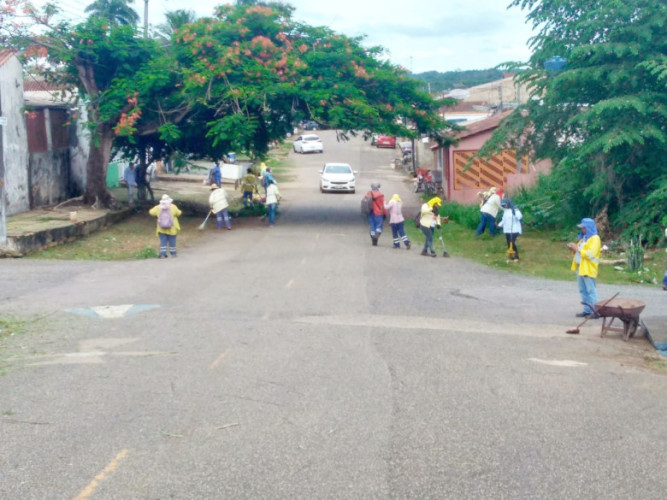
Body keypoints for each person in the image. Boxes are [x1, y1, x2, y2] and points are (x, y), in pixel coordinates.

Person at [567, 218, 601, 318]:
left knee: (591, 290)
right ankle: (587, 310)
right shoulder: (584, 238)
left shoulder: (595, 239)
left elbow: (590, 254)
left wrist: (577, 249)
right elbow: (579, 251)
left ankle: (595, 311)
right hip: (580, 267)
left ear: (589, 227)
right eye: (581, 228)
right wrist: (573, 249)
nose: (582, 229)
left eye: (584, 228)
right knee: (583, 290)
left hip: (588, 268)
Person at [149, 194, 182, 258]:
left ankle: (162, 253)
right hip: (172, 228)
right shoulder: (173, 207)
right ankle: (173, 253)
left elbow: (151, 212)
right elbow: (179, 213)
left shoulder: (158, 208)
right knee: (172, 241)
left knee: (163, 241)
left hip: (161, 228)